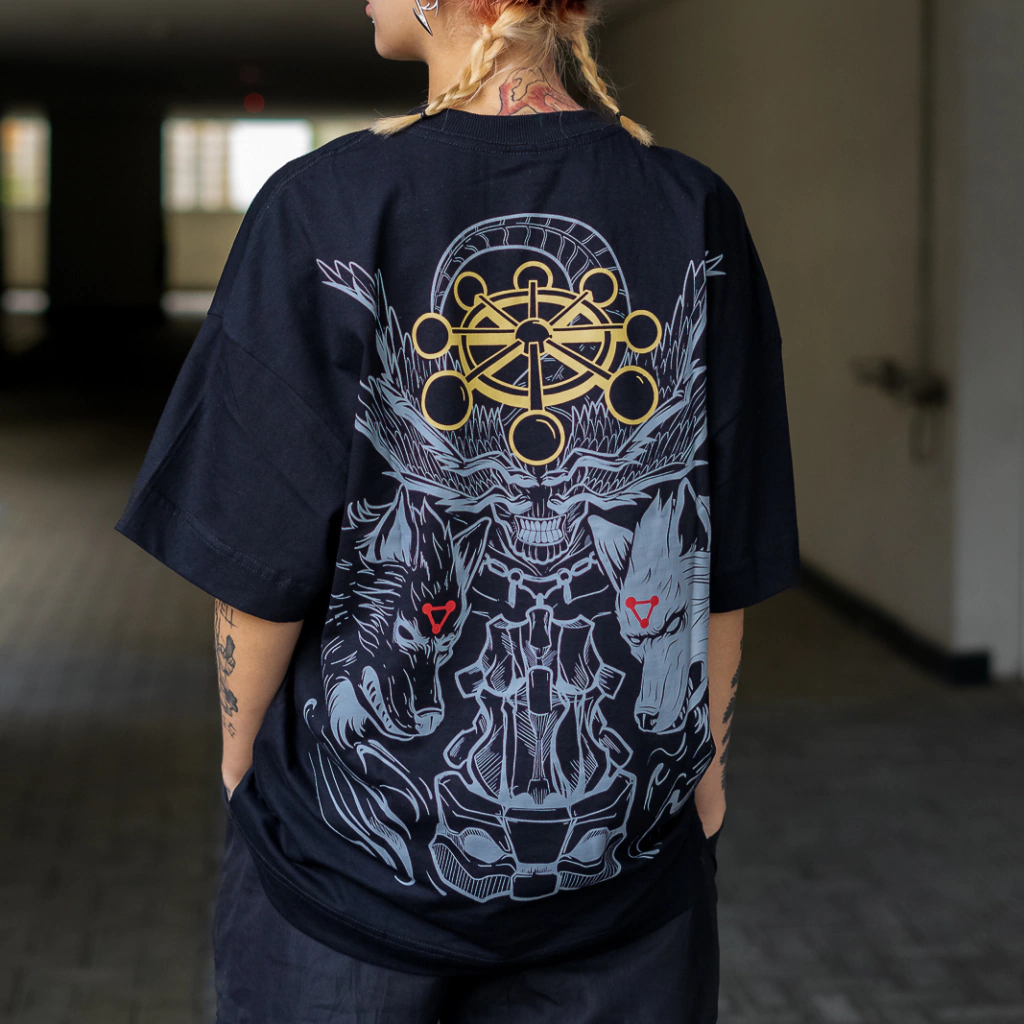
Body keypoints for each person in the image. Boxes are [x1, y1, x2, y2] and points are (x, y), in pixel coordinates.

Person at [114, 0, 800, 1020]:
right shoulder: (691, 208)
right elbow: (714, 547)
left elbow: (259, 551)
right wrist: (707, 775)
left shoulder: (322, 203)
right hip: (625, 886)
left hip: (345, 887)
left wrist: (239, 761)